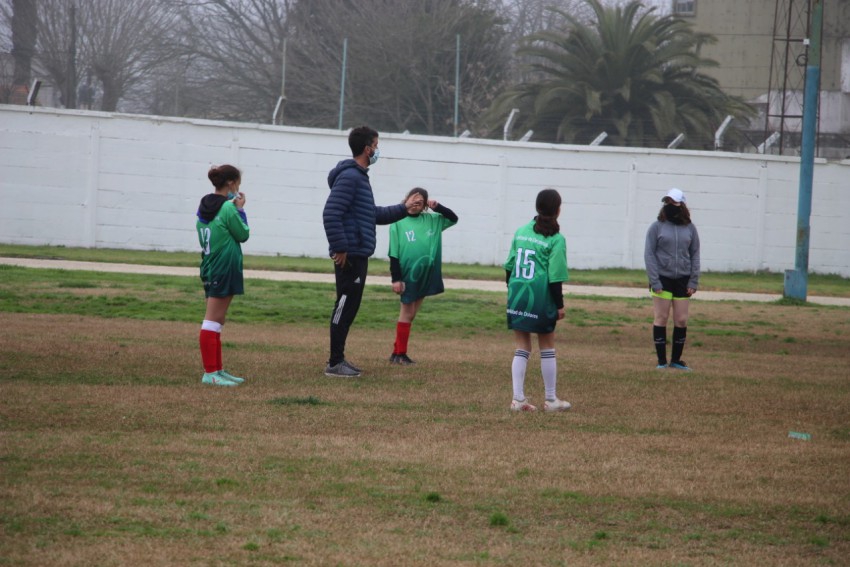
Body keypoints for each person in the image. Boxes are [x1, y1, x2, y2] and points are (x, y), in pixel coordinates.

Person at [322, 125, 415, 378]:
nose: (377, 150)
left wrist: (404, 208)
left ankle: (338, 359)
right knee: (344, 306)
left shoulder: (359, 177)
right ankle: (335, 363)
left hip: (358, 253)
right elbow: (331, 213)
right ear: (367, 149)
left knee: (350, 307)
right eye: (376, 145)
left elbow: (372, 214)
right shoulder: (351, 177)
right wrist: (340, 248)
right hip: (350, 255)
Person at [504, 189, 572, 412]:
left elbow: (509, 267)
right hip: (541, 298)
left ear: (537, 207)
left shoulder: (521, 231)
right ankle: (551, 400)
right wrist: (559, 305)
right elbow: (555, 278)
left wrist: (513, 292)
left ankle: (518, 399)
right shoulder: (556, 239)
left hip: (518, 295)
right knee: (547, 347)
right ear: (558, 210)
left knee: (522, 347)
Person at [387, 188, 458, 365]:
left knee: (411, 314)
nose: (416, 204)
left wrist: (438, 207)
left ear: (425, 205)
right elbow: (393, 253)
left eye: (420, 202)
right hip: (407, 274)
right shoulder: (397, 221)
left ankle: (396, 353)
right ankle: (400, 354)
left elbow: (453, 218)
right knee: (406, 312)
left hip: (427, 274)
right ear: (407, 200)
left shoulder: (432, 220)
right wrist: (396, 279)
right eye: (414, 200)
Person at [196, 164, 250, 386]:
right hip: (224, 267)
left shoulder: (203, 206)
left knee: (217, 320)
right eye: (238, 183)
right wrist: (240, 210)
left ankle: (217, 369)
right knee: (211, 320)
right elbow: (243, 234)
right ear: (231, 183)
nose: (238, 187)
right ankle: (210, 373)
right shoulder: (227, 208)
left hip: (210, 265)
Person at [644, 187, 701, 371]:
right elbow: (649, 255)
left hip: (683, 280)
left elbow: (695, 254)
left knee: (681, 320)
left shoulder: (690, 228)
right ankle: (661, 361)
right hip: (662, 279)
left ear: (681, 205)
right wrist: (655, 280)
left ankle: (676, 360)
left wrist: (693, 281)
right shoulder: (656, 227)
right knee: (661, 317)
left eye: (673, 202)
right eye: (667, 202)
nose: (669, 205)